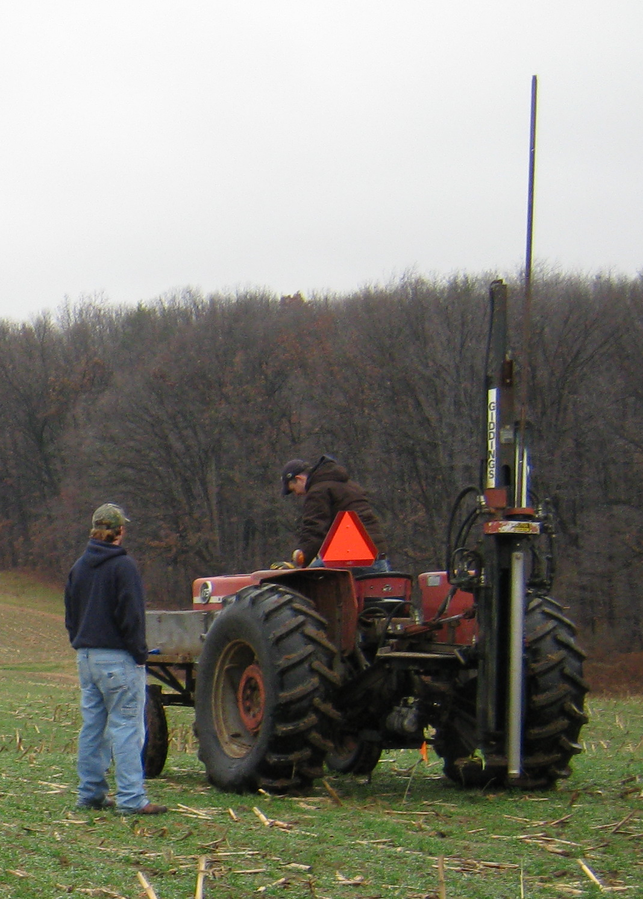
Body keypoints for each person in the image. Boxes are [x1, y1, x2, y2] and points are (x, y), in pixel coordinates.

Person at [64, 503, 167, 815]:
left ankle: (90, 794)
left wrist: (81, 643)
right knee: (126, 728)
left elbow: (70, 616)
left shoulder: (79, 567)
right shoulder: (124, 567)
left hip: (86, 658)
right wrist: (140, 654)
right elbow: (132, 617)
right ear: (120, 531)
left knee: (93, 727)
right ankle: (132, 799)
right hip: (118, 660)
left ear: (95, 529)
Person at [281, 455, 391, 574]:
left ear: (299, 479)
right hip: (377, 557)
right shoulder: (348, 485)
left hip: (351, 557)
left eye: (293, 489)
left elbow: (315, 530)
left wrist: (300, 561)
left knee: (306, 579)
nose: (297, 494)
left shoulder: (318, 491)